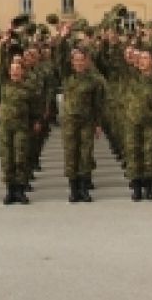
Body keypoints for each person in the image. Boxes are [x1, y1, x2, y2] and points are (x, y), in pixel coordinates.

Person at [61, 48, 105, 203]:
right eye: (76, 60)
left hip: (87, 121)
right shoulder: (67, 77)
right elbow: (59, 55)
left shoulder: (93, 80)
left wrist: (98, 124)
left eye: (82, 59)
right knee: (71, 154)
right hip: (70, 122)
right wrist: (64, 37)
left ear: (86, 61)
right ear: (72, 62)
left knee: (86, 154)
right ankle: (73, 189)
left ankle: (84, 188)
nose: (79, 62)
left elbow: (98, 104)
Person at [123, 50, 152, 201]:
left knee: (149, 154)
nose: (142, 61)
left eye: (146, 58)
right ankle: (136, 188)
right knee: (134, 153)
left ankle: (149, 187)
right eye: (140, 58)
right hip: (132, 122)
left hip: (150, 122)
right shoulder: (131, 77)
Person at [0, 60, 32, 205]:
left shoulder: (28, 88)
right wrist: (2, 46)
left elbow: (36, 106)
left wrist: (36, 122)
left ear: (23, 72)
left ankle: (20, 190)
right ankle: (10, 190)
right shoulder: (4, 85)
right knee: (7, 160)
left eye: (18, 69)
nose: (15, 72)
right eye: (12, 69)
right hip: (5, 128)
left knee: (20, 159)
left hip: (21, 128)